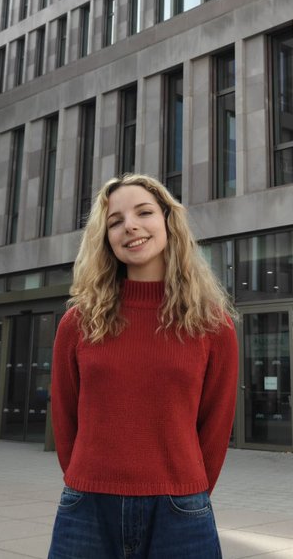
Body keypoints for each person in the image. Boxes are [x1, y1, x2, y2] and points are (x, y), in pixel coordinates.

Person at [48, 173, 238, 559]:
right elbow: (64, 415)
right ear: (105, 238)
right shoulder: (78, 322)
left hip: (180, 510)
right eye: (115, 221)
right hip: (87, 507)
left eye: (144, 212)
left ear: (169, 221)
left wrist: (188, 488)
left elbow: (216, 424)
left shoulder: (211, 324)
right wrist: (85, 477)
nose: (130, 226)